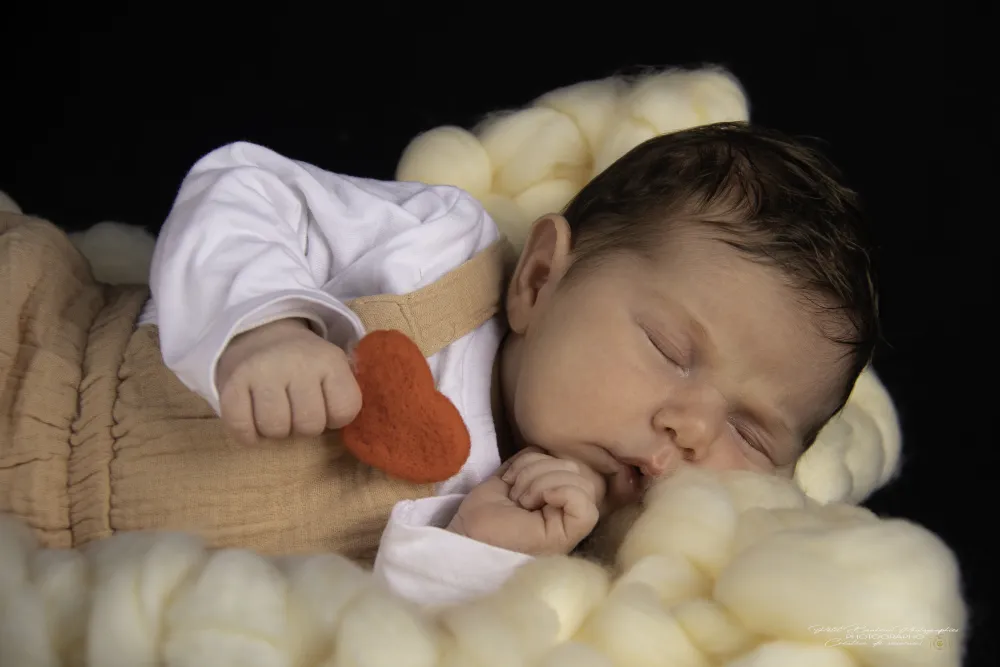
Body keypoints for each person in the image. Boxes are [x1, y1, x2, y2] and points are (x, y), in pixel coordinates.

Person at [146, 121, 878, 605]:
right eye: (669, 350)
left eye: (750, 434)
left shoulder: (577, 572)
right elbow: (243, 187)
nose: (692, 429)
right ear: (539, 279)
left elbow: (374, 640)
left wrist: (477, 557)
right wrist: (266, 324)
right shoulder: (436, 256)